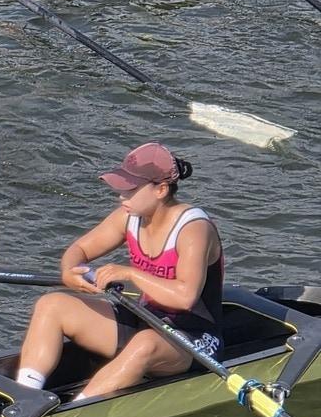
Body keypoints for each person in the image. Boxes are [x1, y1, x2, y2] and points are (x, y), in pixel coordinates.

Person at [17, 142, 224, 401]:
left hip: (194, 338)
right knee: (51, 304)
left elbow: (185, 297)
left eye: (131, 189)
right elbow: (79, 249)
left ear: (161, 189)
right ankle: (25, 399)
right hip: (145, 319)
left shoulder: (194, 229)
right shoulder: (128, 217)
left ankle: (73, 413)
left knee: (145, 343)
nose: (121, 196)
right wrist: (70, 270)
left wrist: (131, 274)